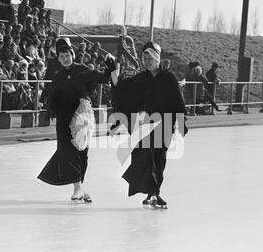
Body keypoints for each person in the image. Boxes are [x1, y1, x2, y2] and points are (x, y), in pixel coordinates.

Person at [37, 38, 117, 203]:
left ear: (72, 54)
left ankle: (78, 187)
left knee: (80, 152)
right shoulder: (58, 75)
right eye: (61, 56)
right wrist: (47, 108)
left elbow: (103, 78)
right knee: (66, 151)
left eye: (67, 54)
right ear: (58, 58)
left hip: (80, 117)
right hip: (63, 119)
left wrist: (109, 66)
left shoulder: (83, 70)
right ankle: (78, 188)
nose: (65, 58)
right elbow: (51, 93)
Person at [110, 42, 188, 209]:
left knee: (158, 160)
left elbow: (177, 101)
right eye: (145, 58)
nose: (147, 61)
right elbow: (124, 90)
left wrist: (181, 121)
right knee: (146, 157)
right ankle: (152, 194)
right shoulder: (141, 78)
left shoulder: (168, 78)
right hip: (145, 125)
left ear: (157, 58)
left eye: (150, 57)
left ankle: (154, 193)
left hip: (164, 124)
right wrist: (114, 72)